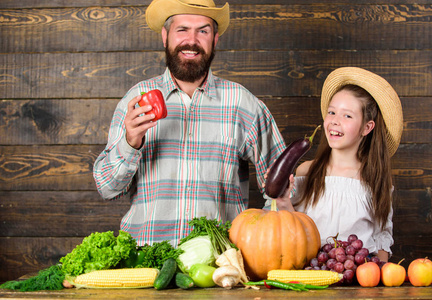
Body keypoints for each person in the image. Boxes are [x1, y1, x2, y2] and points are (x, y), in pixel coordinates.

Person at [93, 0, 285, 247]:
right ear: (165, 36)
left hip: (217, 269)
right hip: (146, 262)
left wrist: (257, 245)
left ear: (215, 40)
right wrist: (130, 143)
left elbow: (281, 192)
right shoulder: (137, 100)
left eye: (202, 30)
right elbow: (107, 188)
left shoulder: (243, 104)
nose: (191, 40)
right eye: (182, 29)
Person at [264, 67, 403, 262]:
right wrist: (284, 202)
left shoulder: (375, 179)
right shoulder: (307, 171)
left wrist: (382, 276)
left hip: (359, 282)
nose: (335, 121)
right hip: (313, 278)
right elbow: (295, 232)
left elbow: (381, 238)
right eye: (332, 112)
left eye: (347, 116)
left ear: (367, 127)